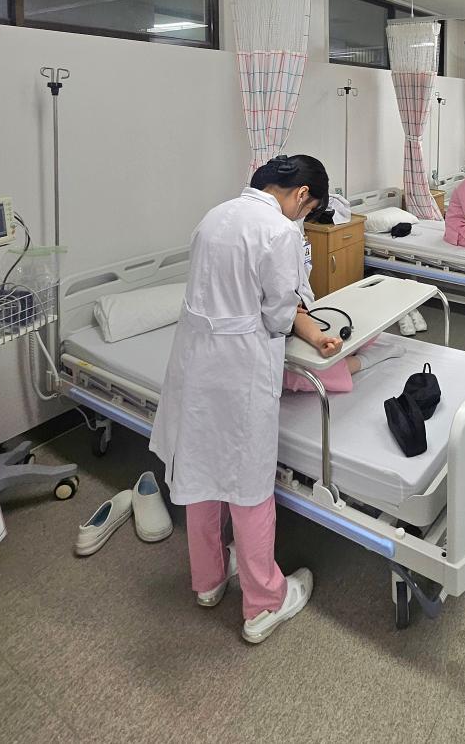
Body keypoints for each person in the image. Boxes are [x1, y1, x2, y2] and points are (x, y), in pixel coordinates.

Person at [149, 154, 339, 645]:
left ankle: (208, 580)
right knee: (249, 484)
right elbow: (278, 316)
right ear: (302, 195)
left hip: (195, 368)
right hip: (239, 372)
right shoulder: (279, 232)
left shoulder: (214, 216)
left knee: (201, 472)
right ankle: (264, 602)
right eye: (308, 209)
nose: (302, 217)